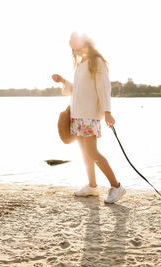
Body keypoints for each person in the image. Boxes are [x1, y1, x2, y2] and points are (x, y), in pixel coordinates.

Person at [52, 32, 126, 204]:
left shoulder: (97, 62)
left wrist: (107, 111)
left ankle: (116, 186)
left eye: (78, 48)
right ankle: (92, 186)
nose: (76, 52)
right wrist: (63, 81)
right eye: (74, 50)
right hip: (77, 115)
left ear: (87, 45)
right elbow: (77, 90)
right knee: (84, 153)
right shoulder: (80, 65)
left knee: (92, 152)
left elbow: (104, 88)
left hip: (89, 116)